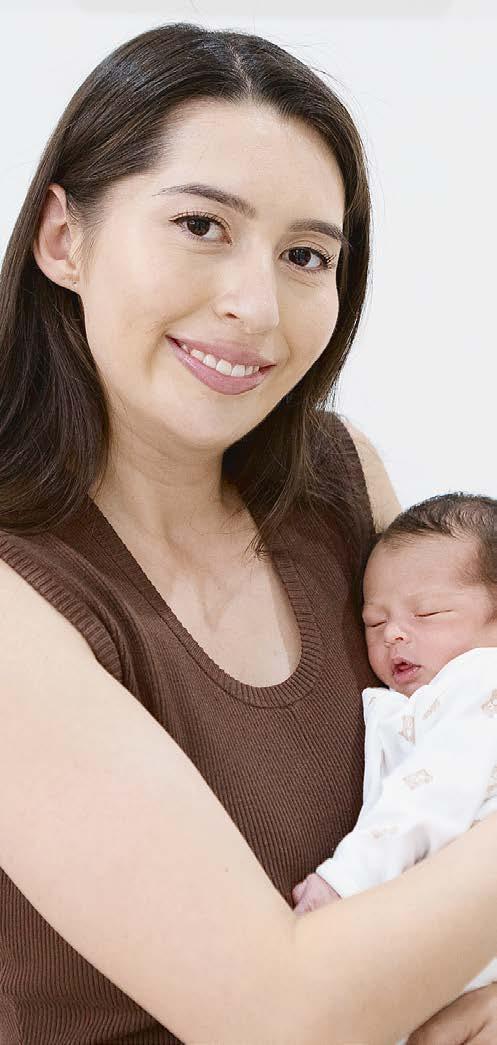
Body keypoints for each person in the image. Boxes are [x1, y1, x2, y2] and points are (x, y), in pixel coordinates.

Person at [1, 20, 497, 1045]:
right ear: (63, 239)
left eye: (305, 254)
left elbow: (457, 789)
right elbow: (279, 1018)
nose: (255, 306)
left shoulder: (339, 483)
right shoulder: (21, 595)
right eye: (200, 225)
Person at [292, 493, 497, 1032]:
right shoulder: (423, 698)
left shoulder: (481, 680)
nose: (394, 634)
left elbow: (432, 793)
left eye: (427, 614)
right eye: (373, 621)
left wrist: (346, 879)